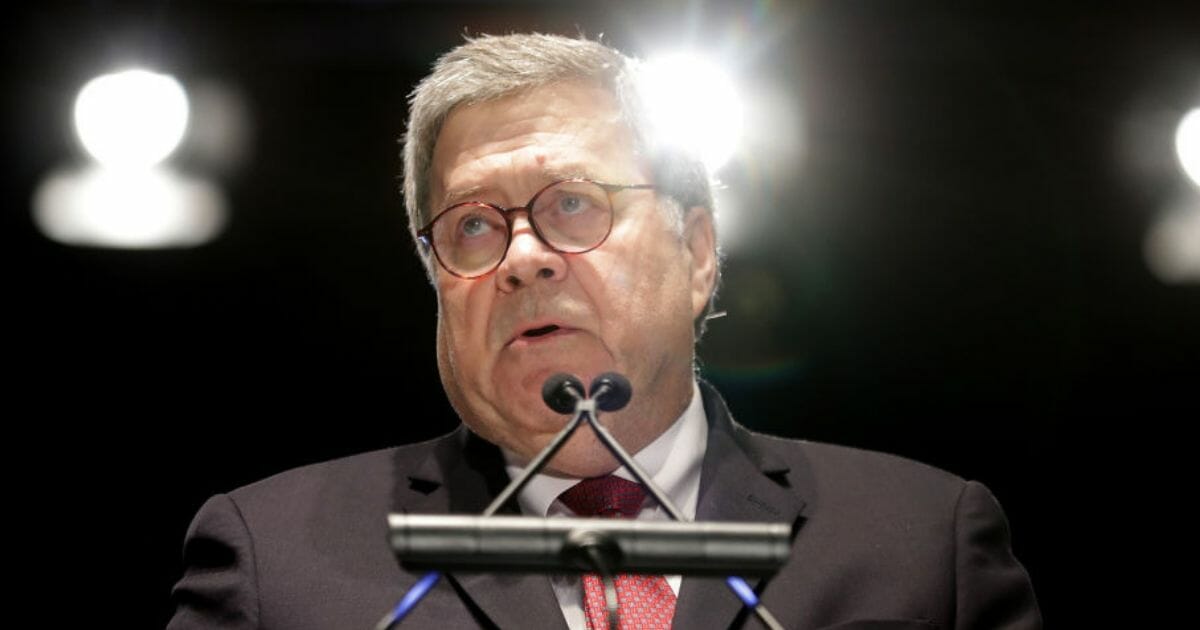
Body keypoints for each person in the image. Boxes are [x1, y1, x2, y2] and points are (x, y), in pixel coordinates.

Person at [167, 33, 1041, 629]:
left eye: (573, 204)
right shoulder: (272, 564)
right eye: (472, 224)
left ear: (697, 251)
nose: (521, 258)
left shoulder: (922, 544)